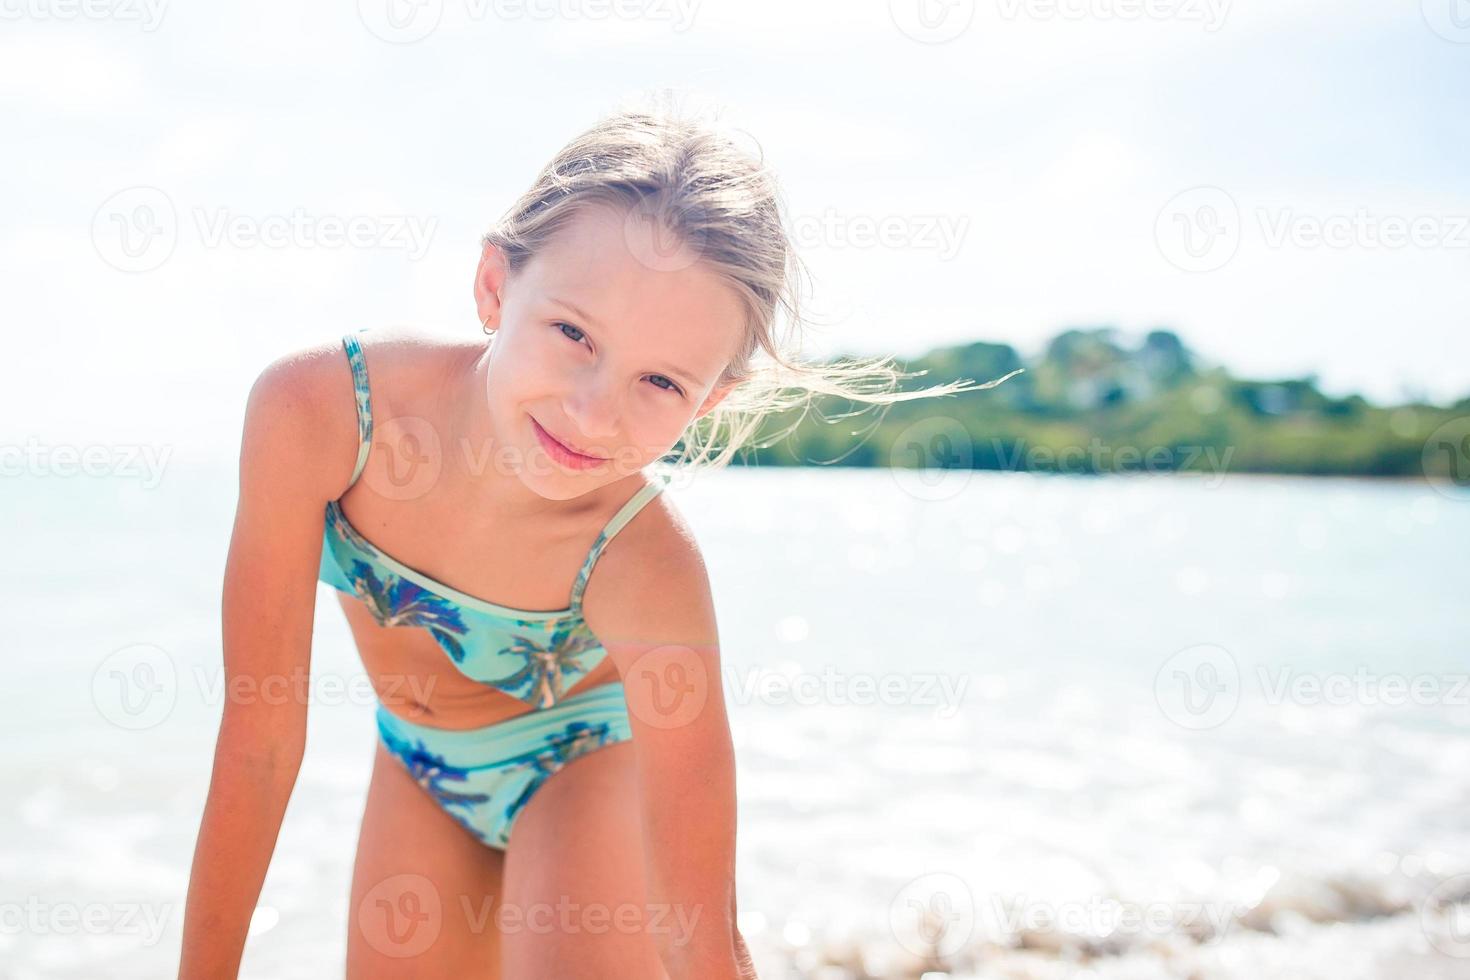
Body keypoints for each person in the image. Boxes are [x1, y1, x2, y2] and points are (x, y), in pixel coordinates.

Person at [177, 91, 1007, 979]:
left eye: (659, 383)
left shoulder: (644, 562)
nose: (591, 413)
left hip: (591, 764)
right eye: (573, 333)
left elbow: (703, 933)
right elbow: (260, 744)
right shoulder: (321, 414)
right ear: (495, 286)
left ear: (708, 402)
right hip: (418, 768)